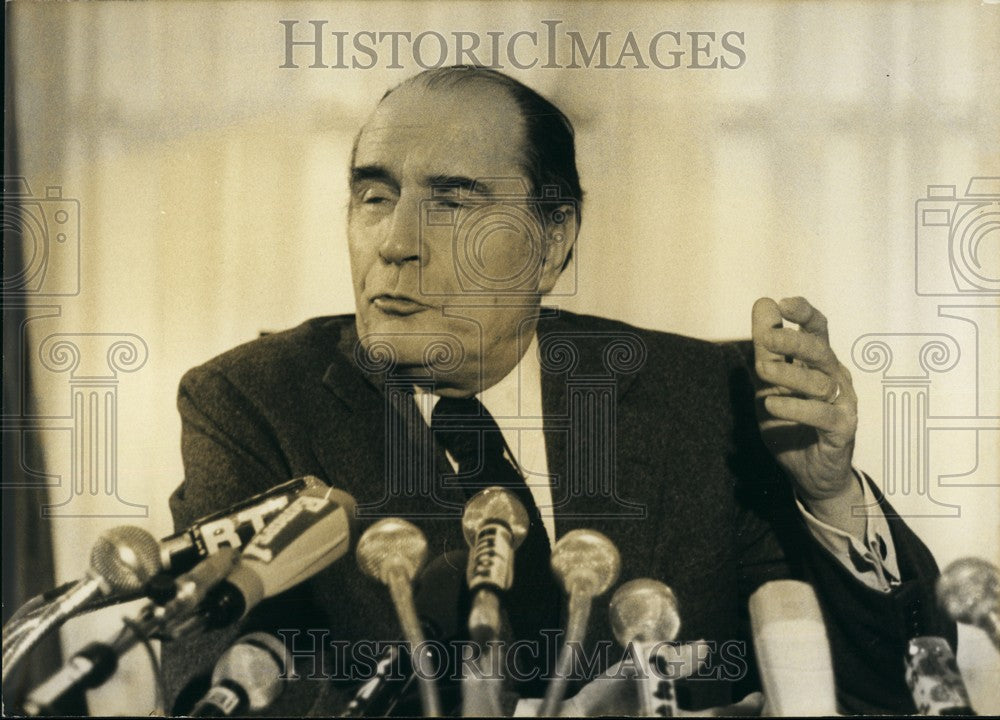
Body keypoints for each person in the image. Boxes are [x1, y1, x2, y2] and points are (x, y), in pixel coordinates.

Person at [164, 66, 953, 715]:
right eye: (375, 196)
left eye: (451, 202)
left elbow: (897, 685)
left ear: (553, 243)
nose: (395, 243)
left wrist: (830, 498)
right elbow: (220, 685)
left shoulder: (701, 397)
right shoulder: (255, 402)